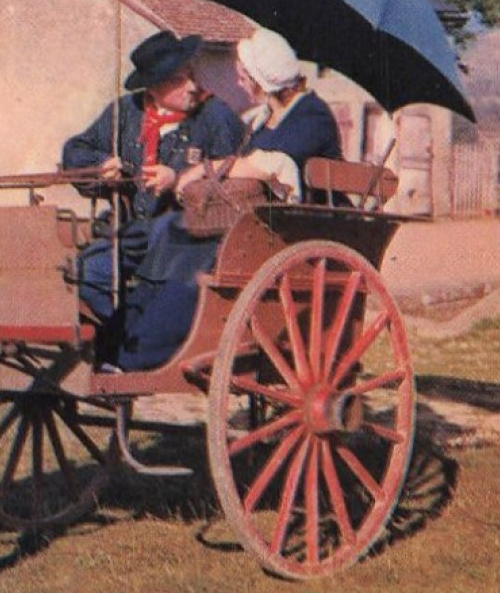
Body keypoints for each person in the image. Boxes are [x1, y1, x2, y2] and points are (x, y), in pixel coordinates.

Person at [113, 27, 342, 371]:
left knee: (195, 257)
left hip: (297, 234)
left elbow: (267, 165)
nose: (238, 80)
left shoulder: (312, 116)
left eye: (243, 73)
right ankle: (122, 341)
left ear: (259, 79)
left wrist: (206, 169)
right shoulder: (264, 119)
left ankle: (144, 353)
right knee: (169, 233)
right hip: (260, 227)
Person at [61, 30, 244, 355]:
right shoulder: (125, 113)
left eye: (191, 74)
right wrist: (102, 164)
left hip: (187, 238)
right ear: (155, 87)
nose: (192, 85)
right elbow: (74, 151)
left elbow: (235, 179)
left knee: (153, 286)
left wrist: (179, 181)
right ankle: (121, 336)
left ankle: (145, 343)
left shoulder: (215, 117)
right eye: (179, 79)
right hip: (129, 231)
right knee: (84, 274)